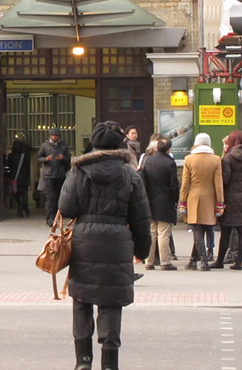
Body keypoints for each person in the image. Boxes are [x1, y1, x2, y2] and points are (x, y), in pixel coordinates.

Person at [59, 121, 151, 370]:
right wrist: (142, 250)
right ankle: (110, 362)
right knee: (111, 303)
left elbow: (66, 208)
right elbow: (141, 218)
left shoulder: (78, 171)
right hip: (117, 243)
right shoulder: (130, 174)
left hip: (84, 242)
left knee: (81, 298)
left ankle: (83, 360)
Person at [209, 130, 242, 270]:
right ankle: (238, 263)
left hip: (230, 197)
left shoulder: (228, 158)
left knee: (226, 230)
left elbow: (224, 179)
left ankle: (219, 260)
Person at [179, 133, 224, 271]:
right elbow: (218, 184)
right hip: (210, 197)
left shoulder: (189, 159)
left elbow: (185, 183)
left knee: (197, 228)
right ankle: (194, 260)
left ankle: (203, 261)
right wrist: (220, 202)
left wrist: (182, 200)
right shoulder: (216, 160)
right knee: (204, 227)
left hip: (193, 197)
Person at [140, 138, 180, 271]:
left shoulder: (147, 160)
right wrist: (175, 199)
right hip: (165, 201)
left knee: (152, 232)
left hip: (149, 200)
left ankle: (148, 261)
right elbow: (174, 185)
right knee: (163, 232)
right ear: (169, 149)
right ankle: (165, 262)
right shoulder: (169, 163)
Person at [37, 128, 71, 226]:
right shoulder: (45, 145)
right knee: (50, 197)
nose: (55, 137)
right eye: (53, 135)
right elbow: (38, 158)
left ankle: (57, 217)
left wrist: (63, 158)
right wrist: (45, 159)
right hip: (48, 175)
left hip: (60, 174)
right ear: (50, 136)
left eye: (56, 135)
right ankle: (50, 218)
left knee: (58, 197)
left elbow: (69, 159)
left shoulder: (64, 146)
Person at [5, 138, 30, 217]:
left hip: (14, 177)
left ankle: (20, 209)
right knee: (21, 194)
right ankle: (23, 207)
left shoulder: (10, 156)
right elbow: (28, 168)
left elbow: (8, 167)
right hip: (22, 177)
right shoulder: (24, 156)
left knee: (16, 194)